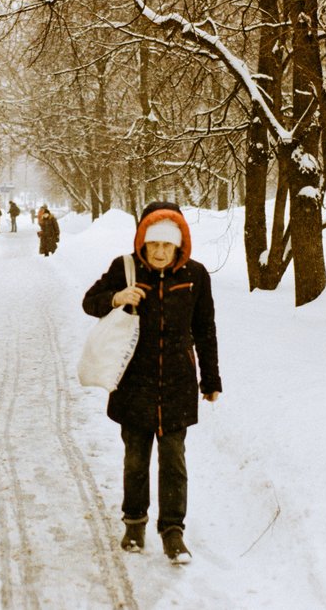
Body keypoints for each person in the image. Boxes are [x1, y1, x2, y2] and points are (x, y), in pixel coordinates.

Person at [81, 201, 221, 564]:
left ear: (179, 245)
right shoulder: (124, 269)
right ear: (142, 242)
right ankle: (134, 522)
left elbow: (205, 330)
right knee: (135, 460)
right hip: (134, 386)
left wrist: (211, 378)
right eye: (153, 244)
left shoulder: (196, 275)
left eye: (167, 245)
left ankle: (173, 531)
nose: (160, 252)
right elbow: (89, 302)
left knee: (174, 462)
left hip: (177, 385)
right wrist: (116, 297)